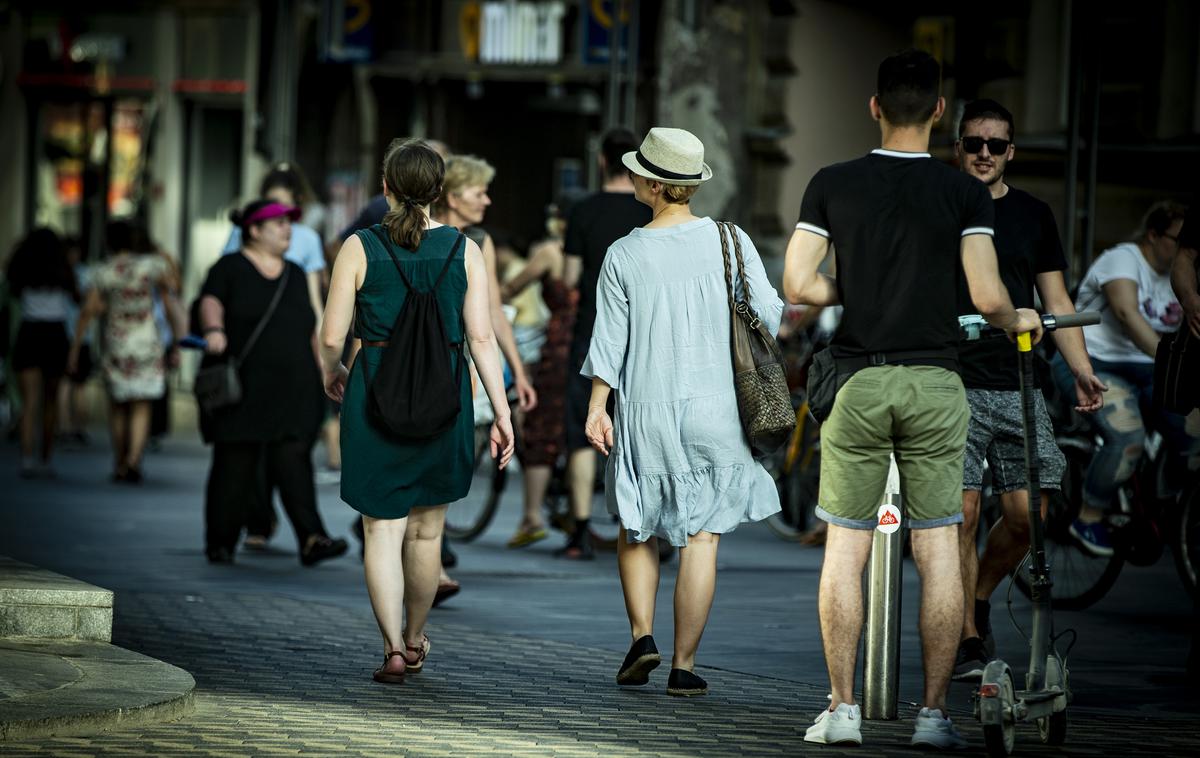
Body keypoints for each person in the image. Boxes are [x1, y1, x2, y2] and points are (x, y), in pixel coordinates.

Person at [784, 50, 1042, 749]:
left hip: (861, 380)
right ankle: (932, 716)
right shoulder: (962, 193)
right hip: (936, 384)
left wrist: (853, 289)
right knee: (937, 549)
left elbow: (797, 284)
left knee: (845, 547)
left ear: (873, 107)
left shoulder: (831, 182)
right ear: (938, 113)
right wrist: (1020, 319)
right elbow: (989, 298)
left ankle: (842, 711)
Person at [583, 127, 782, 698]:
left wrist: (599, 407)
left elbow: (609, 343)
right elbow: (769, 313)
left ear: (648, 182)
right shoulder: (730, 239)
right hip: (718, 408)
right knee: (702, 538)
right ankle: (684, 665)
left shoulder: (624, 253)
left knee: (635, 525)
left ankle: (642, 636)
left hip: (646, 407)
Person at [319, 138, 514, 684]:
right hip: (446, 399)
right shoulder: (464, 249)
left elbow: (333, 334)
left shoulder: (359, 248)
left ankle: (390, 650)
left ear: (385, 188)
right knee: (427, 534)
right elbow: (482, 336)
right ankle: (414, 635)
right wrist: (501, 412)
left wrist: (332, 371)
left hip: (374, 392)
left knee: (381, 531)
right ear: (440, 192)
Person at [950, 99, 1107, 679]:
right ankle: (967, 637)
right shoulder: (941, 204)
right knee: (960, 513)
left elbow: (1057, 301)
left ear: (1011, 151)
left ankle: (978, 598)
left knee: (1028, 516)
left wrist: (1082, 369)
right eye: (974, 144)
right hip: (954, 380)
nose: (984, 154)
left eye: (995, 145)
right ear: (958, 148)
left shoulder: (1034, 213)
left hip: (1019, 379)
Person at [196, 199, 348, 566]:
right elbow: (210, 301)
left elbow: (311, 327)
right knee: (234, 463)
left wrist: (326, 369)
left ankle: (312, 538)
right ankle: (220, 543)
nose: (287, 229)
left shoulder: (295, 272)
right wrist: (214, 330)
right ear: (253, 230)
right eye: (277, 223)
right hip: (244, 388)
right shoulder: (229, 267)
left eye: (288, 223)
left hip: (294, 386)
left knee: (294, 460)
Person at [1055, 201, 1200, 556]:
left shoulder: (1184, 274)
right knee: (1128, 437)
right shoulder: (1123, 259)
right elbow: (1126, 313)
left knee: (1194, 433)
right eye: (1177, 239)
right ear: (1153, 235)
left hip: (1147, 368)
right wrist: (1169, 365)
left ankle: (1170, 502)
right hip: (1094, 362)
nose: (1184, 249)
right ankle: (1087, 518)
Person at [559, 128, 650, 559]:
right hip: (644, 334)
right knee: (637, 426)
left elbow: (570, 278)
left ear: (602, 162)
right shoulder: (649, 211)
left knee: (583, 429)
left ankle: (579, 531)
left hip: (591, 332)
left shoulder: (583, 210)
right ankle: (638, 522)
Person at [68, 221, 186, 483]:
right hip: (147, 339)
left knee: (118, 404)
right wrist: (177, 341)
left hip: (116, 341)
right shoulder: (152, 267)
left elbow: (89, 310)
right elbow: (173, 293)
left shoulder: (103, 270)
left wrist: (75, 348)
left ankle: (120, 461)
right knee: (142, 404)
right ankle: (134, 459)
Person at [431, 154, 537, 413]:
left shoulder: (479, 240)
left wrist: (518, 371)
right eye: (479, 194)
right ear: (453, 198)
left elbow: (493, 310)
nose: (487, 201)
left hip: (461, 356)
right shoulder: (423, 235)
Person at [503, 201, 579, 548]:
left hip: (560, 346)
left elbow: (514, 286)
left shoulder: (551, 252)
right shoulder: (601, 246)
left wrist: (492, 299)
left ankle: (532, 515)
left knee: (541, 425)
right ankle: (580, 515)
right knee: (582, 430)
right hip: (595, 341)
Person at [6, 228, 77, 477]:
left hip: (29, 332)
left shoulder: (22, 269)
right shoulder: (62, 270)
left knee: (29, 402)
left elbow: (12, 292)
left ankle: (27, 458)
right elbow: (75, 297)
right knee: (50, 402)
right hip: (55, 334)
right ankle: (46, 458)